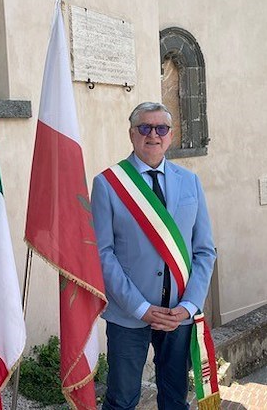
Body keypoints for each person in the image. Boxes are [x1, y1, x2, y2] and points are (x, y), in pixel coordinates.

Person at [91, 102, 216, 410]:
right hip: (128, 314)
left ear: (170, 136)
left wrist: (188, 306)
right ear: (132, 135)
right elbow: (102, 253)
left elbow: (204, 250)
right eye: (144, 128)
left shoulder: (190, 182)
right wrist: (140, 307)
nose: (153, 135)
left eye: (161, 128)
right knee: (121, 400)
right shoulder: (108, 184)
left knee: (175, 399)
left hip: (178, 316)